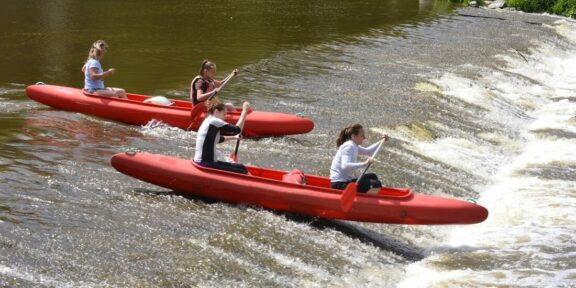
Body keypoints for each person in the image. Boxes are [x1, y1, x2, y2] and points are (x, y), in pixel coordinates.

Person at [193, 99, 250, 174]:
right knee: (242, 170)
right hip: (205, 164)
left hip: (208, 162)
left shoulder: (208, 121)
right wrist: (244, 111)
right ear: (216, 111)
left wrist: (234, 137)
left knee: (241, 167)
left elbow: (219, 139)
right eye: (224, 114)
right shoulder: (213, 121)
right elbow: (237, 129)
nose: (225, 117)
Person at [329, 124, 389, 193]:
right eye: (362, 135)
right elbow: (345, 165)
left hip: (346, 181)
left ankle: (368, 195)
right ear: (354, 136)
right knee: (376, 184)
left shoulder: (354, 145)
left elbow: (368, 152)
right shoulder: (349, 146)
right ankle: (368, 200)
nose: (364, 137)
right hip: (339, 185)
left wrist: (382, 141)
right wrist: (364, 163)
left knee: (373, 176)